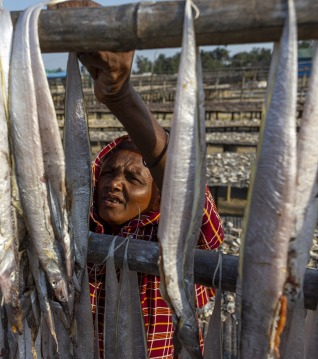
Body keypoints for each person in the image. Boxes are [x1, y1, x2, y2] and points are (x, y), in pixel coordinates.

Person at [77, 49, 224, 358]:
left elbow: (186, 189)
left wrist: (121, 98)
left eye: (133, 178)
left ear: (158, 196)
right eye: (108, 173)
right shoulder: (78, 224)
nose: (115, 183)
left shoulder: (176, 237)